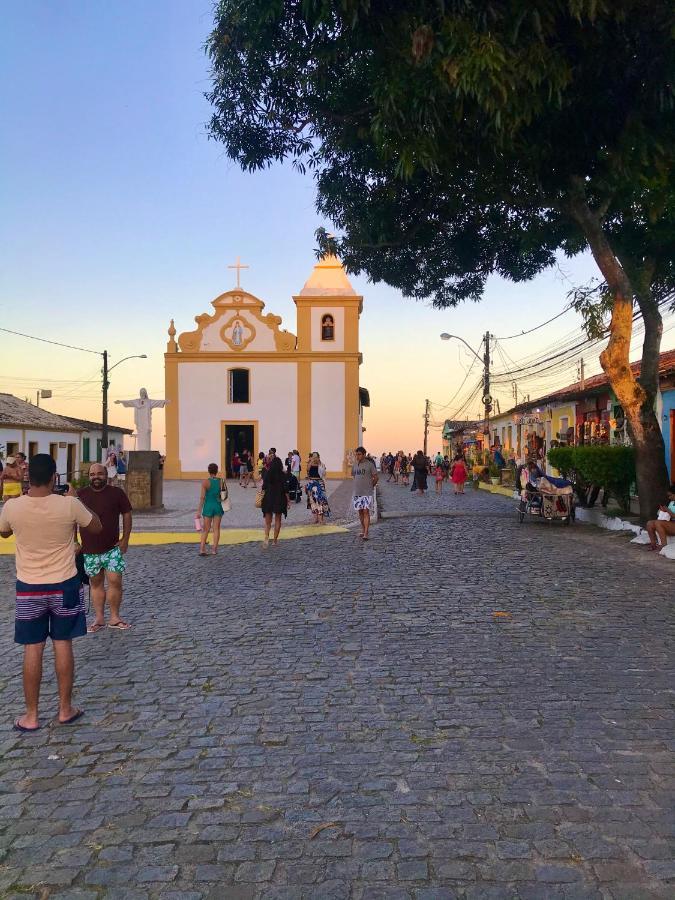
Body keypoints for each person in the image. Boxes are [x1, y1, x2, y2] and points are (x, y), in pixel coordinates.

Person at [0, 454, 102, 732]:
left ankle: (31, 715)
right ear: (55, 476)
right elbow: (96, 526)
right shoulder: (69, 505)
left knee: (32, 648)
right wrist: (74, 500)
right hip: (65, 583)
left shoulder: (13, 507)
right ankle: (65, 709)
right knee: (62, 644)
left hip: (29, 586)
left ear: (27, 476)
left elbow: (4, 533)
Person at [78, 463, 133, 631]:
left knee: (115, 580)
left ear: (106, 475)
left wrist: (125, 539)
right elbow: (72, 519)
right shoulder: (81, 495)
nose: (96, 477)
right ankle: (99, 619)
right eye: (92, 474)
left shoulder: (117, 493)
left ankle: (115, 617)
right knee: (96, 583)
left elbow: (127, 514)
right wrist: (73, 541)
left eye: (99, 474)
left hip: (112, 548)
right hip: (89, 549)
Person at [196, 463, 225, 557]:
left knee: (206, 529)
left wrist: (198, 511)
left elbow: (202, 498)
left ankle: (202, 549)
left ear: (209, 471)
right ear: (217, 471)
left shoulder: (205, 482)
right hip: (217, 506)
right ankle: (214, 549)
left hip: (208, 506)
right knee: (216, 528)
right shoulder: (221, 481)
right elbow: (224, 496)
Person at [261, 455, 289, 548]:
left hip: (268, 498)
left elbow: (263, 487)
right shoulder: (283, 475)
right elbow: (286, 489)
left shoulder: (268, 474)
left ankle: (266, 538)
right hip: (279, 498)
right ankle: (275, 541)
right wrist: (288, 501)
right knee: (278, 520)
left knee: (267, 521)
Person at [352, 446, 379, 540]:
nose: (357, 456)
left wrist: (371, 486)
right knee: (360, 512)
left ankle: (366, 533)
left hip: (367, 492)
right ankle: (363, 530)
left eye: (359, 454)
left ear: (364, 454)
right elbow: (354, 476)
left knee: (366, 511)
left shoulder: (369, 465)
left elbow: (376, 477)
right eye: (356, 454)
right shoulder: (355, 465)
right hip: (357, 492)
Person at [645, 484, 675, 551]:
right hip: (670, 523)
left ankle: (664, 544)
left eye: (670, 495)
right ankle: (653, 544)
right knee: (649, 523)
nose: (669, 497)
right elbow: (668, 514)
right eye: (668, 496)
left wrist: (667, 509)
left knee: (658, 523)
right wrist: (663, 510)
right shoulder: (672, 502)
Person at [306, 451, 330, 523]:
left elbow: (324, 474)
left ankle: (321, 519)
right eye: (313, 456)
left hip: (319, 484)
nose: (315, 458)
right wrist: (310, 462)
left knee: (320, 501)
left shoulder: (321, 465)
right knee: (312, 501)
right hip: (311, 485)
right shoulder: (310, 464)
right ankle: (315, 518)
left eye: (316, 456)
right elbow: (307, 470)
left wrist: (319, 464)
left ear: (319, 457)